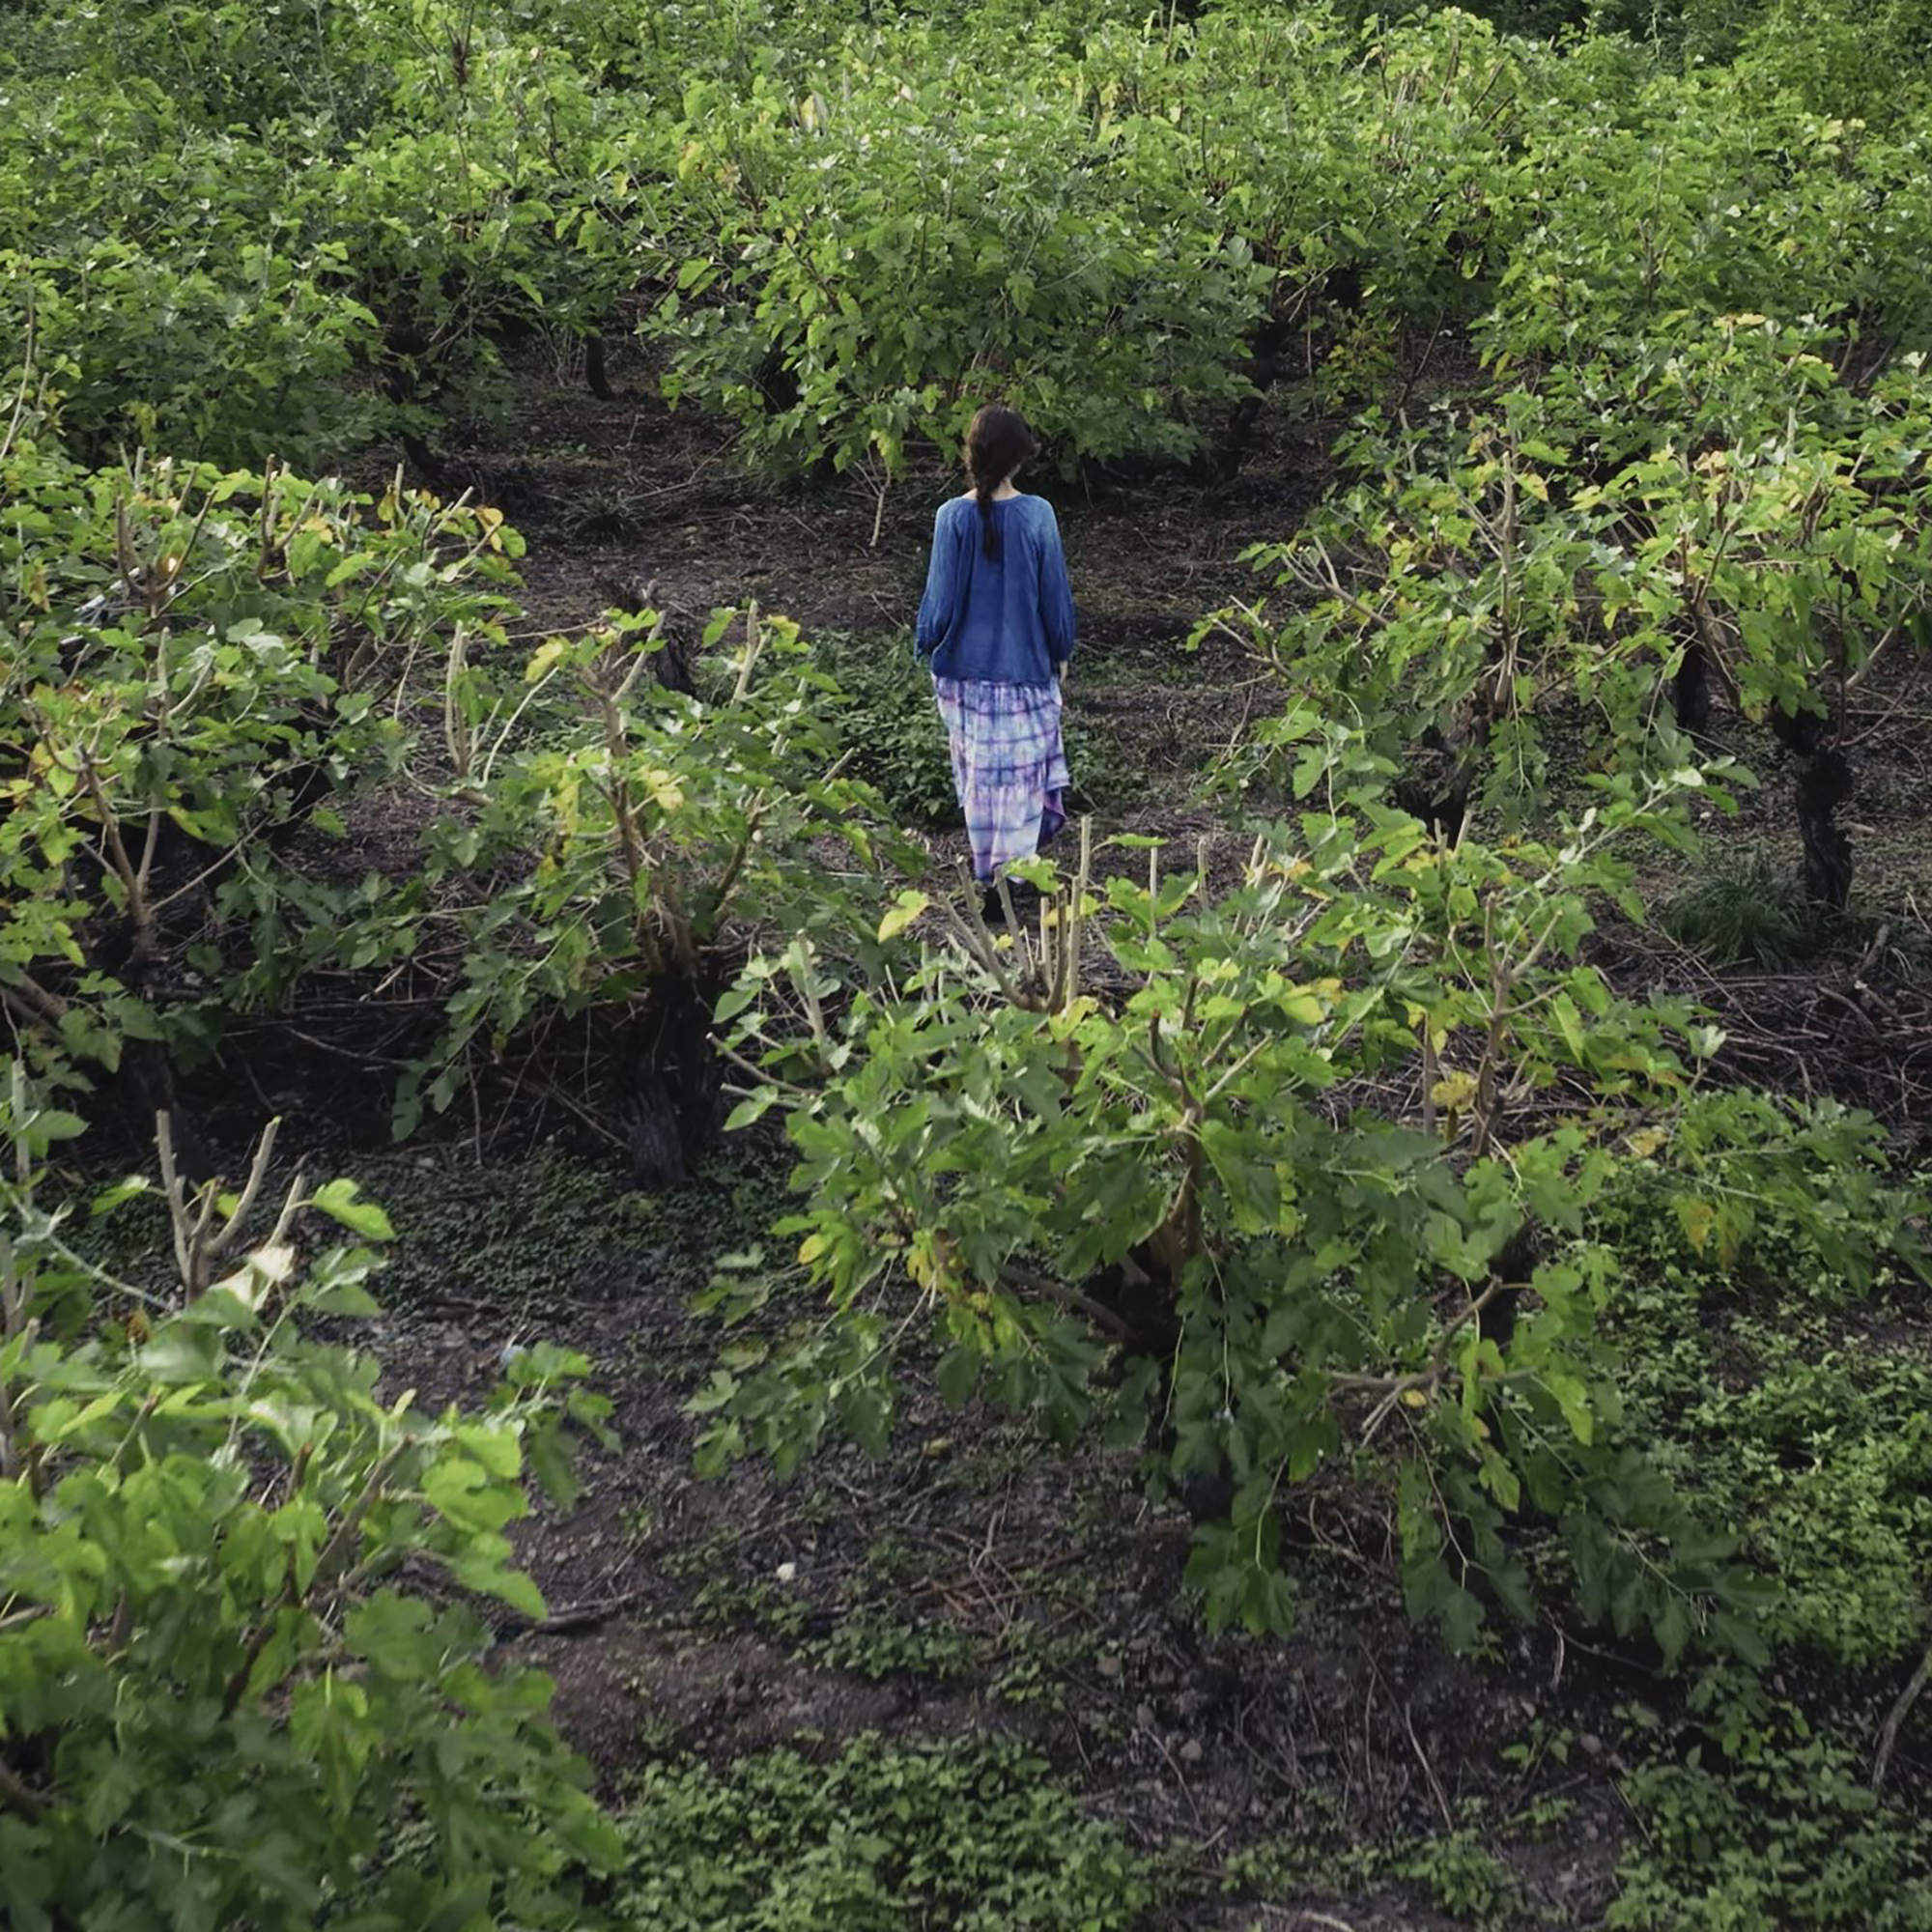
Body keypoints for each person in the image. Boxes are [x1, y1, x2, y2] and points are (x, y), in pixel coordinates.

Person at [914, 404, 1077, 922]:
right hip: (1026, 667)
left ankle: (991, 878)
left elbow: (937, 604)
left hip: (963, 673)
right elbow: (1055, 597)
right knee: (1024, 776)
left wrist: (925, 644)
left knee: (981, 777)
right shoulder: (1038, 515)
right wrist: (1062, 650)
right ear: (1019, 458)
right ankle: (1018, 876)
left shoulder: (950, 517)